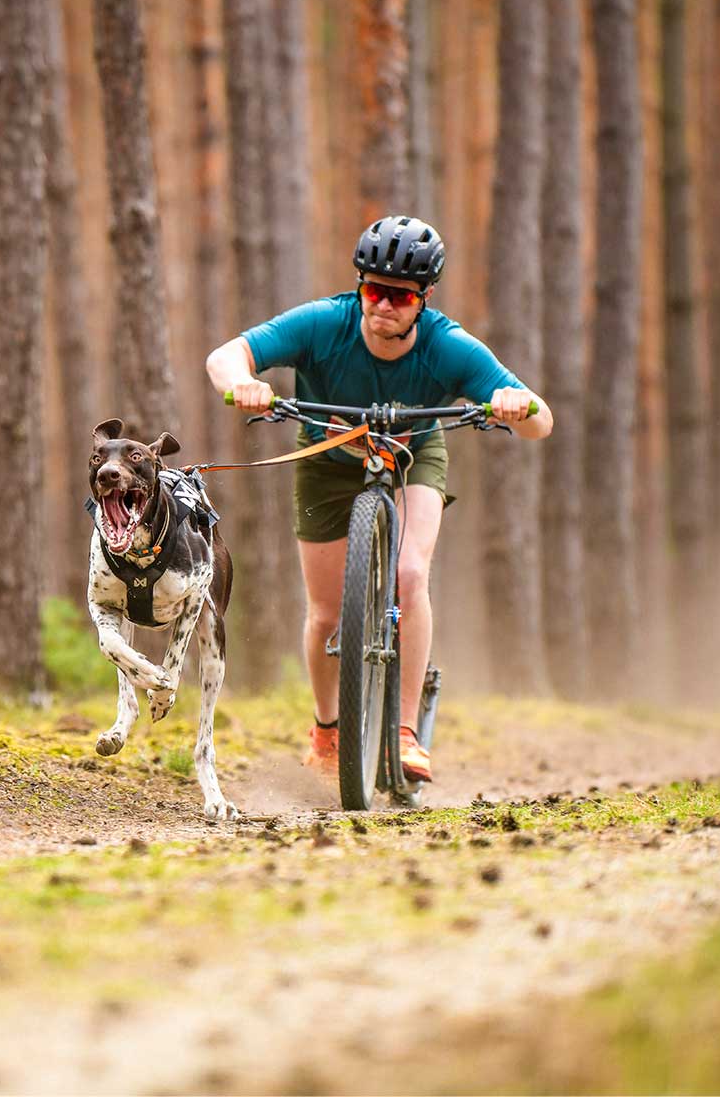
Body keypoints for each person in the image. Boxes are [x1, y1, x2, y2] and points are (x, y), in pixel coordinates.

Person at [204, 214, 552, 783]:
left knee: (411, 576)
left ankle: (406, 732)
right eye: (373, 289)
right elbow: (225, 356)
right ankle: (326, 727)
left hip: (413, 458)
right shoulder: (323, 324)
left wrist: (520, 407)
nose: (383, 304)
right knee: (324, 613)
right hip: (325, 458)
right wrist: (242, 384)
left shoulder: (449, 346)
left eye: (400, 296)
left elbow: (542, 421)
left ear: (424, 299)